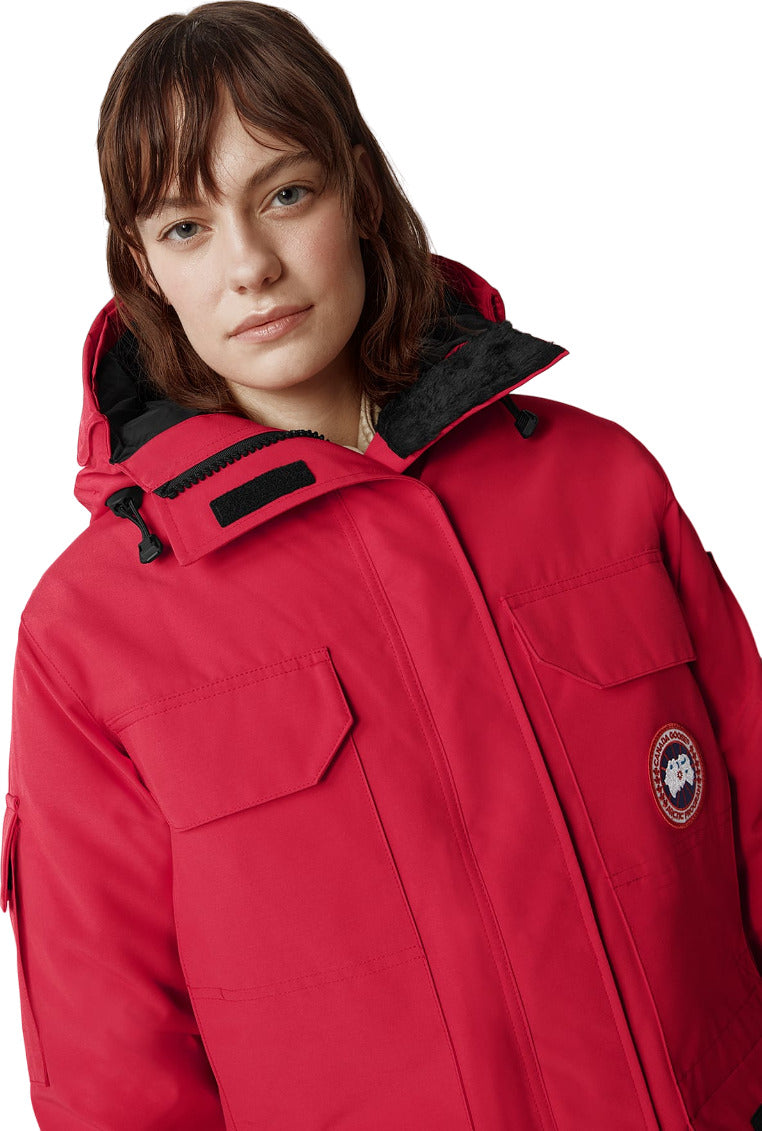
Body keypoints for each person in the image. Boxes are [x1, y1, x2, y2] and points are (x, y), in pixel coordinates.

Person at [2, 2, 761, 1128]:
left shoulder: (600, 485)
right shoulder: (91, 636)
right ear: (143, 268)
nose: (251, 266)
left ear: (358, 188)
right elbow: (112, 1061)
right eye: (186, 227)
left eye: (285, 194)